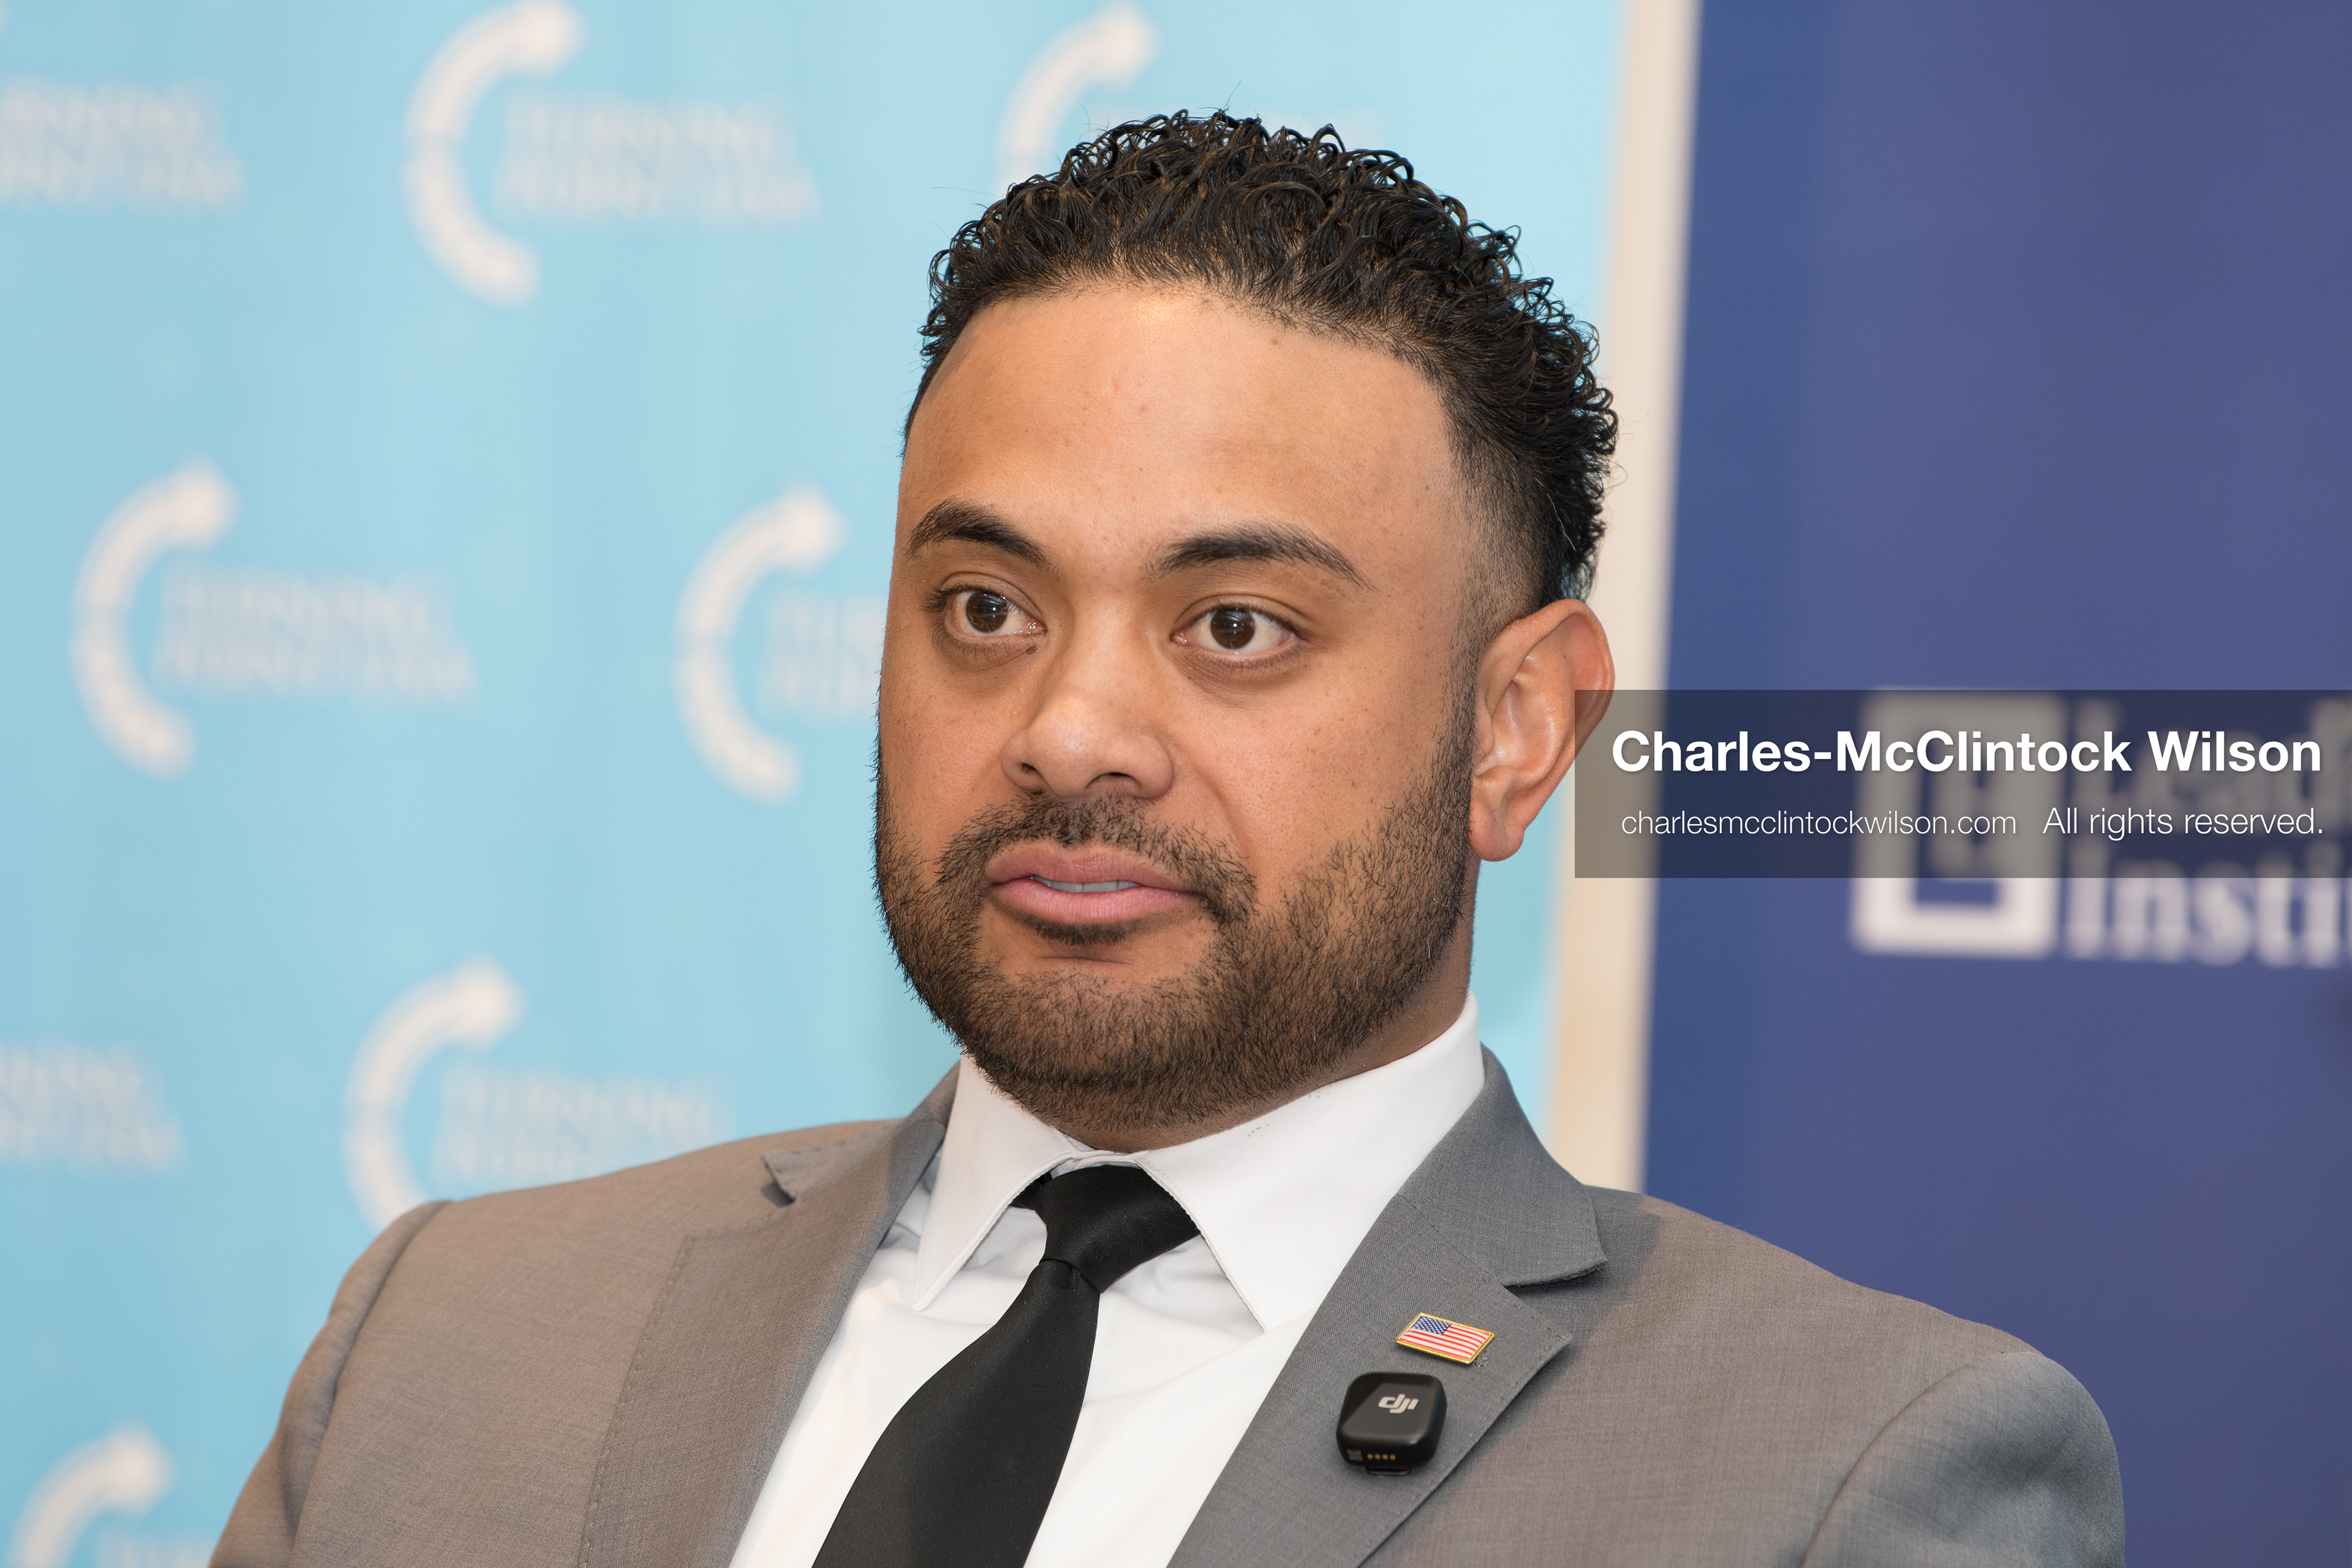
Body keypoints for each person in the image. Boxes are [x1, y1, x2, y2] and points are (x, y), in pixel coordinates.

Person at [214, 113, 2123, 1568]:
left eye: (1236, 630)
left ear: (1519, 727)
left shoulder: (1839, 1470)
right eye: (984, 607)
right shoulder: (447, 1340)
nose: (1066, 733)